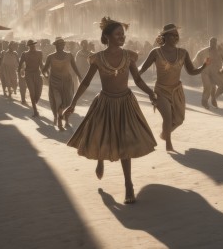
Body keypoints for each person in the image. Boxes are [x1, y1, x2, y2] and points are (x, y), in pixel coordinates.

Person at [64, 17, 158, 204]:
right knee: (102, 136)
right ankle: (101, 158)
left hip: (125, 102)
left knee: (125, 144)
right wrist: (72, 104)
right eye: (117, 34)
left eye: (123, 34)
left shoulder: (129, 56)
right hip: (105, 102)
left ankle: (128, 185)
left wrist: (151, 93)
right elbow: (85, 82)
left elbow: (138, 80)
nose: (122, 37)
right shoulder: (97, 58)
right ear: (107, 37)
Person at [138, 24, 209, 152]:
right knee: (168, 117)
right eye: (173, 34)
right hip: (160, 91)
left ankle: (165, 134)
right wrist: (131, 70)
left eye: (177, 35)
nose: (176, 37)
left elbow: (191, 71)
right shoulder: (156, 52)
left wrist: (204, 66)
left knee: (179, 120)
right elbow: (141, 69)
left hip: (177, 90)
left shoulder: (183, 53)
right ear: (165, 36)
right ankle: (168, 144)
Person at [42, 37, 82, 130]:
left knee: (68, 102)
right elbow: (44, 70)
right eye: (59, 45)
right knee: (59, 101)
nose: (61, 46)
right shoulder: (50, 57)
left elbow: (75, 67)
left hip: (67, 82)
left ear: (64, 45)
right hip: (55, 83)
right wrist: (47, 77)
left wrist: (80, 77)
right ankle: (60, 122)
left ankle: (66, 120)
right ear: (55, 46)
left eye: (62, 45)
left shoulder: (69, 55)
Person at [193, 37, 223, 109]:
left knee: (222, 85)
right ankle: (204, 101)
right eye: (211, 42)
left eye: (214, 43)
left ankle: (214, 98)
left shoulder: (219, 51)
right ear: (209, 43)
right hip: (205, 72)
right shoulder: (203, 51)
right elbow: (195, 60)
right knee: (208, 87)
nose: (212, 44)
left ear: (216, 43)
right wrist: (198, 68)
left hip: (216, 72)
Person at [18, 40, 44, 117]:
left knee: (38, 93)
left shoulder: (39, 53)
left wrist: (46, 73)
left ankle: (34, 103)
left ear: (35, 46)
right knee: (32, 92)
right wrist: (19, 72)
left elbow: (41, 64)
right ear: (28, 46)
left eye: (33, 45)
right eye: (31, 46)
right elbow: (20, 64)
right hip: (28, 74)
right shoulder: (25, 54)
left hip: (37, 74)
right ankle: (35, 110)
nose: (33, 47)